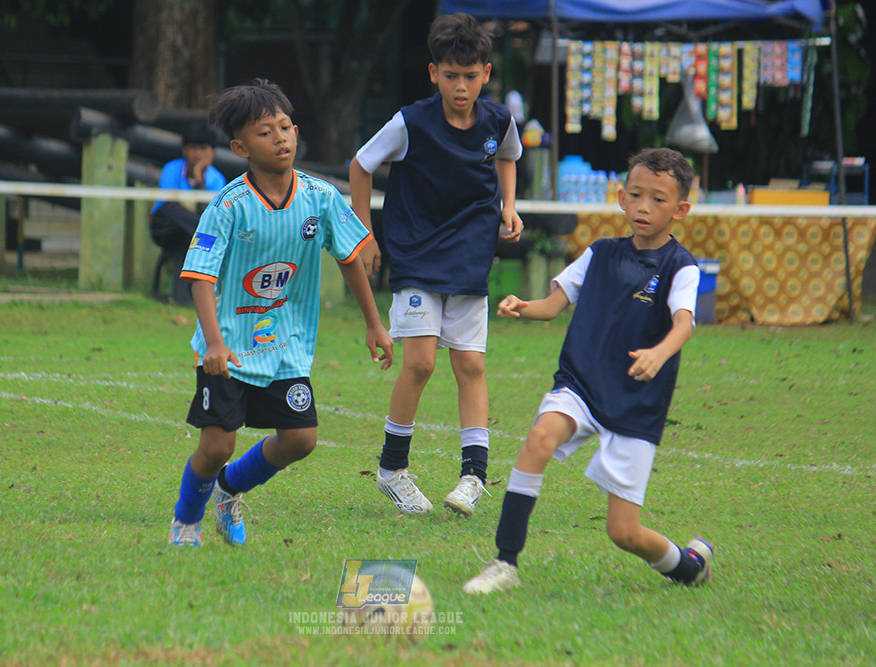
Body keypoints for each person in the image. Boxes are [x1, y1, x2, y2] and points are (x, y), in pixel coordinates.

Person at [463, 148, 714, 594]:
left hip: (636, 402)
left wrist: (659, 353)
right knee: (539, 439)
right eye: (635, 195)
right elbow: (555, 303)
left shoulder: (682, 267)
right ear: (620, 197)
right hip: (581, 384)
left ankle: (688, 565)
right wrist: (525, 307)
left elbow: (684, 322)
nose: (643, 206)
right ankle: (505, 563)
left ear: (681, 210)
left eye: (658, 199)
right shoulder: (600, 253)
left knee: (623, 532)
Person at [167, 79, 394, 548]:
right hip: (228, 345)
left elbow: (350, 256)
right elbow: (200, 277)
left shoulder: (320, 196)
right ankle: (186, 520)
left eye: (286, 127)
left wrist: (373, 322)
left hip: (286, 345)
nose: (282, 138)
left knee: (301, 439)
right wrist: (213, 342)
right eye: (266, 132)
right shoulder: (229, 205)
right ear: (240, 146)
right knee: (216, 446)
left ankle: (229, 490)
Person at [348, 12, 523, 518]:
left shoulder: (497, 122)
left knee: (471, 364)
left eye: (470, 76)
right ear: (433, 74)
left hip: (469, 254)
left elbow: (509, 155)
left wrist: (508, 205)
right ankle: (392, 470)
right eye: (451, 76)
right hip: (418, 253)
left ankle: (473, 476)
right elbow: (360, 164)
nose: (461, 86)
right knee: (421, 364)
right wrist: (364, 234)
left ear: (486, 74)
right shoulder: (411, 121)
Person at [149, 120, 227, 252]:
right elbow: (168, 205)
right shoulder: (171, 169)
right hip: (166, 228)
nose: (198, 154)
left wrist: (198, 178)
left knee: (192, 235)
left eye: (203, 149)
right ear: (185, 150)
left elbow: (207, 213)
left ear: (212, 152)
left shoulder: (217, 179)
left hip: (188, 232)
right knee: (171, 207)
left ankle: (203, 240)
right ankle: (208, 241)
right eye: (194, 148)